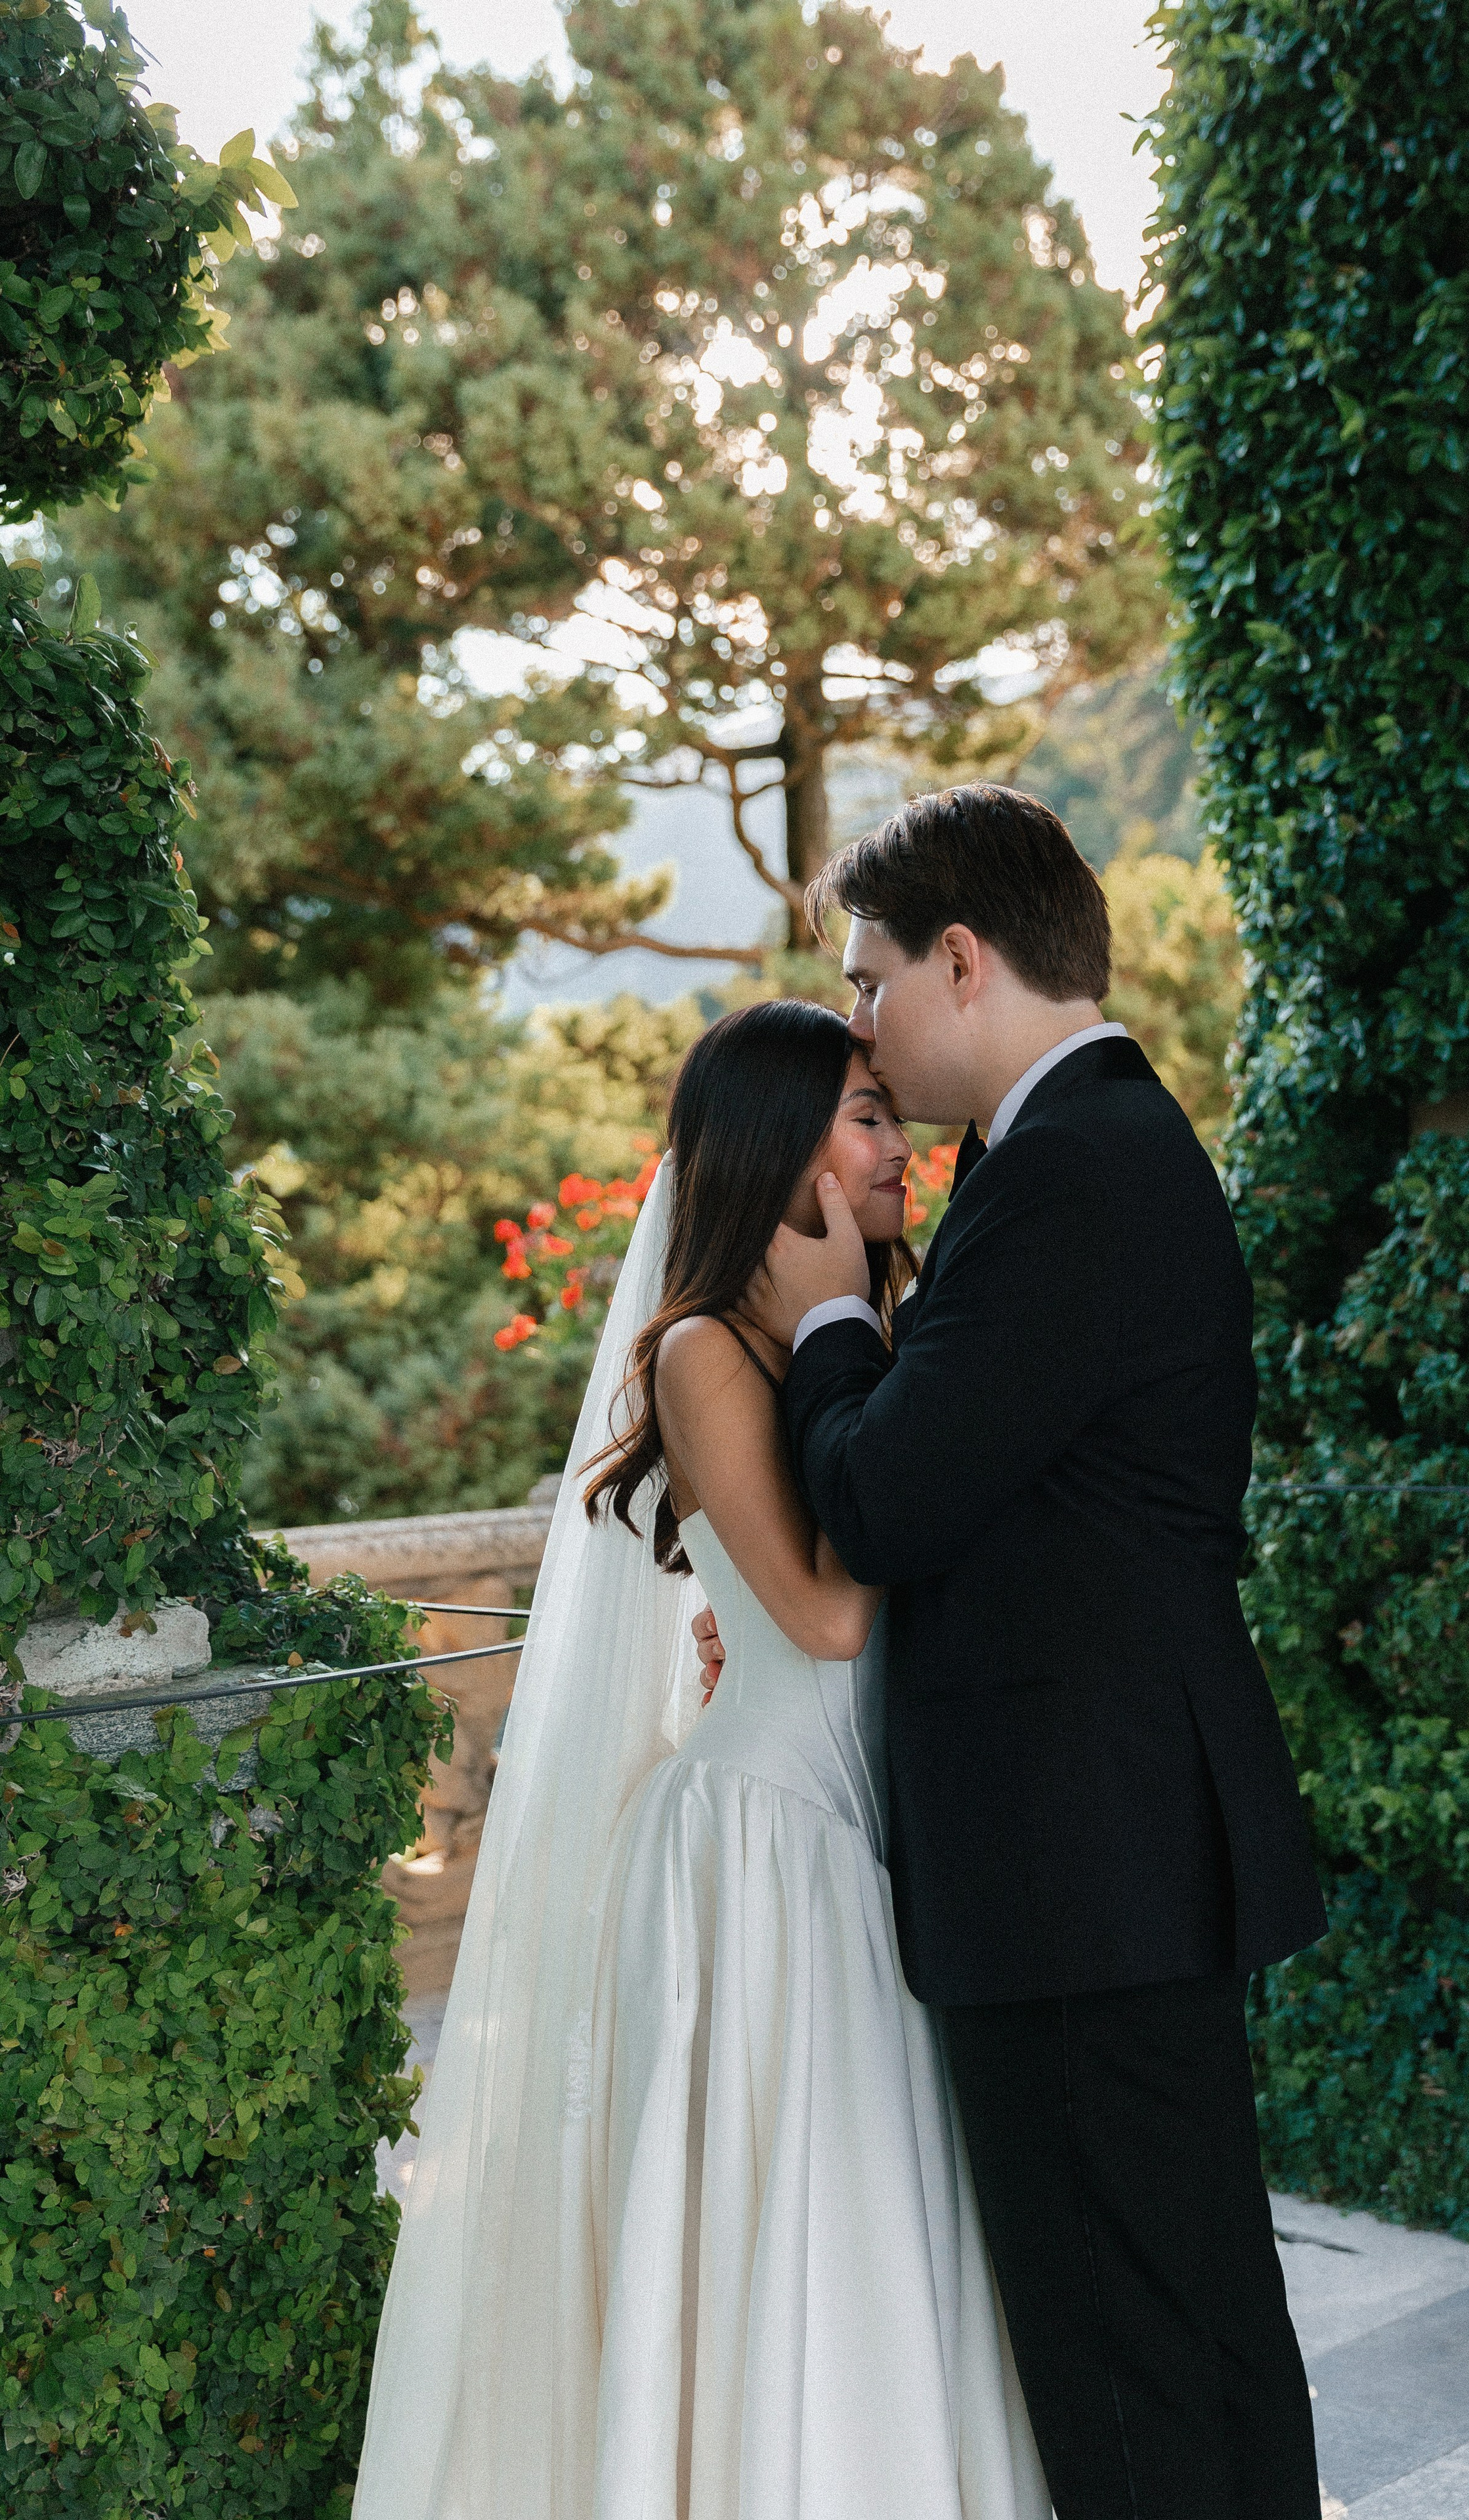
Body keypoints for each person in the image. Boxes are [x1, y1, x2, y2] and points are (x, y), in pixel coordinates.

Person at [351, 1000, 1050, 2520]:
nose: (896, 1149)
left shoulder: (881, 1331)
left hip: (865, 1838)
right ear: (777, 1147)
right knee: (786, 2221)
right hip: (763, 1850)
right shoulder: (706, 1356)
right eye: (864, 1117)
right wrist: (848, 1347)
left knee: (883, 2228)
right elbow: (823, 1610)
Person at [723, 784, 1329, 2520]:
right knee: (1195, 2326)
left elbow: (891, 1507)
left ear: (964, 961)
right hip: (1113, 1844)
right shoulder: (1074, 1154)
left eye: (870, 979)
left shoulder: (1070, 1169)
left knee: (1126, 2362)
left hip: (1077, 1862)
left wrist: (828, 1316)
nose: (859, 1022)